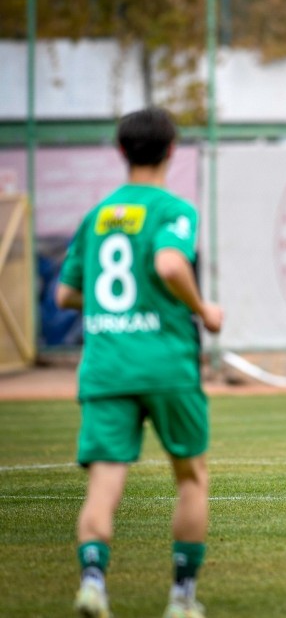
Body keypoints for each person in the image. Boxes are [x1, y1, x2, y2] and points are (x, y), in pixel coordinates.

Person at [56, 107, 223, 618]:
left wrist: (115, 310)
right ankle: (181, 598)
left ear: (121, 151)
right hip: (167, 364)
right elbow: (169, 262)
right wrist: (203, 309)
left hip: (106, 366)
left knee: (104, 484)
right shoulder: (175, 210)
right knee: (191, 477)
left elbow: (66, 293)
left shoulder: (98, 216)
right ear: (172, 150)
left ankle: (92, 584)